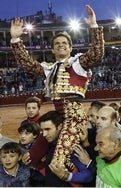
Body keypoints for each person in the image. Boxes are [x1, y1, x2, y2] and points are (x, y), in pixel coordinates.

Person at [10, 4, 104, 171]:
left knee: (59, 162)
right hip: (56, 118)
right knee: (31, 157)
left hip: (74, 119)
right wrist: (16, 40)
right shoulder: (49, 68)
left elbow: (96, 54)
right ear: (52, 49)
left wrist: (94, 26)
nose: (61, 45)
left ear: (70, 47)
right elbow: (28, 64)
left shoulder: (78, 63)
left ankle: (77, 179)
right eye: (57, 43)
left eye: (64, 43)